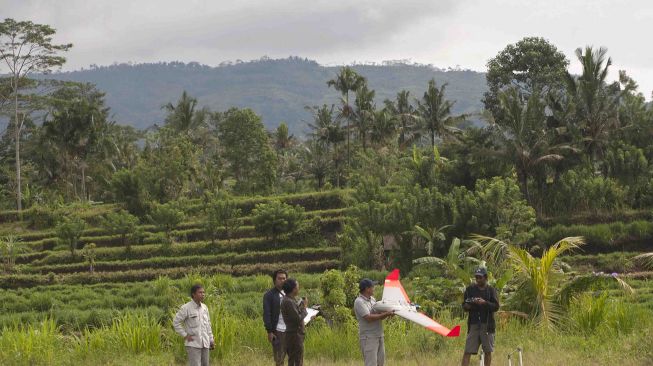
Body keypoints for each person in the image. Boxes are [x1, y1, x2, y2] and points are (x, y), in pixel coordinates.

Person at [461, 267, 500, 366]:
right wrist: (469, 304)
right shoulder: (470, 289)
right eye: (476, 277)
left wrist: (484, 303)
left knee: (488, 351)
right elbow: (464, 305)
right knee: (467, 351)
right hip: (474, 324)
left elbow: (496, 307)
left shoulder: (491, 290)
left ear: (485, 278)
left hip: (487, 325)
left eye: (480, 277)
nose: (478, 280)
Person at [354, 278, 394, 366]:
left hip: (379, 335)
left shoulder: (372, 299)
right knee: (371, 364)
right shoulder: (359, 302)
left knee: (381, 363)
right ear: (367, 289)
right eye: (372, 286)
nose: (374, 288)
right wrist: (386, 314)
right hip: (369, 338)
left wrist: (388, 314)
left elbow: (379, 317)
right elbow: (368, 318)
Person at [173, 284, 215, 366]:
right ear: (193, 294)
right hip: (193, 344)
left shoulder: (205, 308)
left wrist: (211, 339)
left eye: (203, 292)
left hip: (205, 343)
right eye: (200, 292)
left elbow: (208, 325)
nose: (203, 294)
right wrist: (185, 335)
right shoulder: (186, 308)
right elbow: (176, 322)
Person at [263, 269, 289, 366]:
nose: (282, 280)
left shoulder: (290, 293)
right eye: (280, 278)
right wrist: (269, 331)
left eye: (284, 278)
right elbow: (267, 314)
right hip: (278, 331)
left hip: (291, 331)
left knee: (294, 358)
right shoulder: (269, 295)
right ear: (274, 280)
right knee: (279, 360)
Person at [280, 278, 308, 366]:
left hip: (293, 334)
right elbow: (297, 319)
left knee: (293, 360)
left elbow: (294, 315)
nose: (298, 288)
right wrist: (304, 307)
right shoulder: (289, 302)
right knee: (297, 361)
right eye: (297, 286)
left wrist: (300, 306)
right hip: (295, 335)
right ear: (293, 289)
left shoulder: (289, 300)